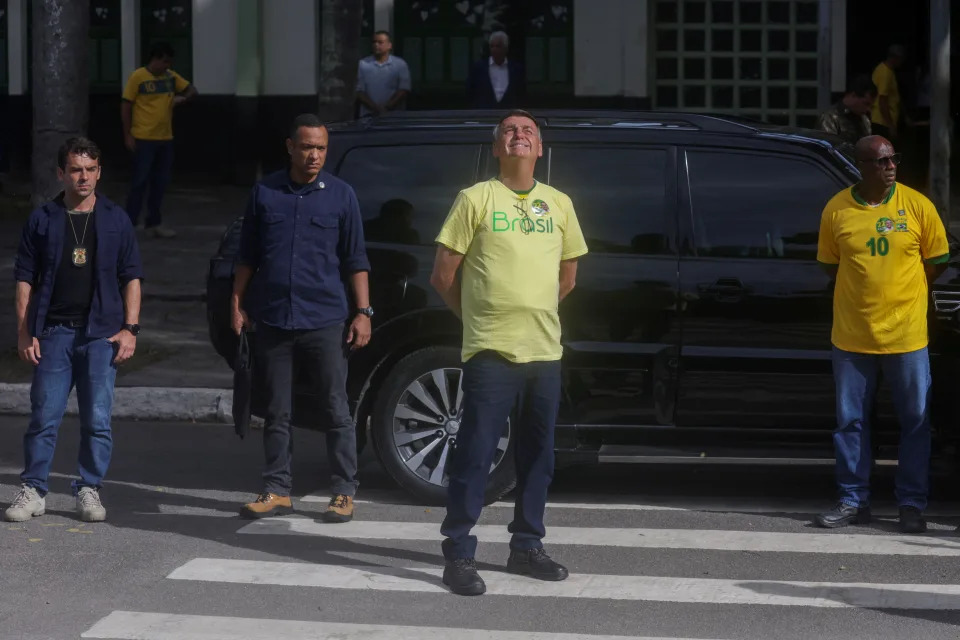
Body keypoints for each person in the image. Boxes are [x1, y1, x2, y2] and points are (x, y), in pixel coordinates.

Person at [431, 110, 588, 596]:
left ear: (540, 149)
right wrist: (479, 317)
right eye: (509, 131)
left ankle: (526, 547)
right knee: (475, 454)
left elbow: (568, 278)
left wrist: (530, 311)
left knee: (537, 455)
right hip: (490, 351)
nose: (519, 135)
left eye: (528, 132)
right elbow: (443, 276)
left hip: (544, 351)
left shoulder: (559, 203)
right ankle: (458, 552)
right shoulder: (475, 199)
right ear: (497, 147)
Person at [232, 113, 372, 523]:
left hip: (325, 318)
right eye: (307, 147)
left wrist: (363, 312)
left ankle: (343, 491)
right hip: (274, 318)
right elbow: (247, 256)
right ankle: (277, 489)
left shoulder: (342, 196)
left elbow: (356, 260)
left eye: (321, 148)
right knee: (277, 410)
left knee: (335, 408)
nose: (314, 155)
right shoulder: (264, 193)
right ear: (290, 147)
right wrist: (236, 303)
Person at [5, 137, 143, 523]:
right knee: (43, 416)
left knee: (97, 419)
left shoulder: (116, 218)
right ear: (61, 173)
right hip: (53, 332)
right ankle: (33, 489)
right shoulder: (43, 219)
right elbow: (24, 280)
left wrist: (130, 329)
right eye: (76, 170)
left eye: (90, 170)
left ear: (99, 172)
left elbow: (131, 277)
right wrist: (24, 331)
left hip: (101, 334)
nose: (83, 177)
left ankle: (89, 488)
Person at [815, 135, 949, 534]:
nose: (891, 166)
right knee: (850, 423)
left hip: (907, 337)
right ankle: (853, 501)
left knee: (915, 422)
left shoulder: (917, 205)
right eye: (881, 161)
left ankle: (910, 505)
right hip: (852, 338)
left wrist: (902, 292)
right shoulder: (837, 209)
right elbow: (829, 265)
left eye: (894, 158)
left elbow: (937, 260)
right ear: (862, 166)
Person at [121, 41, 198, 239]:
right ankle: (129, 223)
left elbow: (191, 90)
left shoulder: (171, 78)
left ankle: (153, 223)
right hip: (143, 138)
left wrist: (182, 98)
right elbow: (126, 106)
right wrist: (128, 134)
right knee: (139, 181)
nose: (166, 66)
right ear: (154, 59)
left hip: (165, 138)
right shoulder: (137, 77)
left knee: (160, 182)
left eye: (169, 63)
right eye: (164, 62)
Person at [356, 31, 411, 117]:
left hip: (394, 115)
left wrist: (388, 107)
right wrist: (375, 108)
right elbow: (359, 91)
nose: (376, 45)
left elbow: (403, 90)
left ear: (389, 45)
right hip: (368, 115)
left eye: (380, 42)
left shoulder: (400, 64)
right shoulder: (363, 64)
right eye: (374, 42)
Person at [466, 31, 526, 109]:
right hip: (484, 114)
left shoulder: (516, 69)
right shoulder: (479, 68)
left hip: (509, 114)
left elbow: (521, 94)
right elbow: (470, 92)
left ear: (506, 48)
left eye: (498, 46)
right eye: (492, 46)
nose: (494, 49)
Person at [816, 75, 876, 145]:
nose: (868, 109)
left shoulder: (865, 120)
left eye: (870, 106)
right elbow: (827, 148)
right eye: (866, 104)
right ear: (853, 95)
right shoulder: (830, 118)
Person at [871, 45, 905, 140]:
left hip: (884, 121)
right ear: (895, 58)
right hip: (881, 122)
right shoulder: (885, 73)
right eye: (901, 59)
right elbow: (882, 101)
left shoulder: (887, 70)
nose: (902, 62)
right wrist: (890, 125)